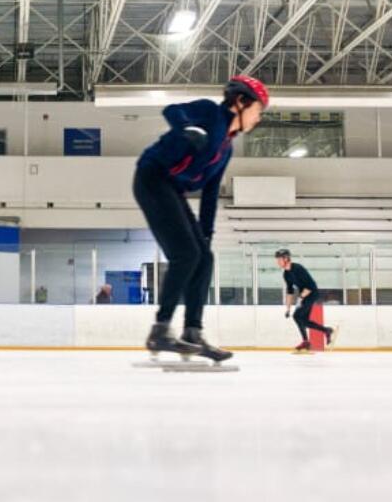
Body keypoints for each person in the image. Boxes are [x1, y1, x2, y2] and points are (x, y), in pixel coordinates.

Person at [133, 76, 269, 361]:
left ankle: (192, 332)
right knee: (185, 255)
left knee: (203, 257)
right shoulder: (210, 112)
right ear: (241, 102)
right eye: (259, 109)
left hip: (172, 188)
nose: (259, 117)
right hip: (152, 177)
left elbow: (210, 192)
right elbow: (172, 110)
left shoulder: (226, 149)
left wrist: (206, 233)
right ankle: (160, 330)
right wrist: (189, 129)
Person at [276, 249, 336, 352]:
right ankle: (327, 330)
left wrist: (301, 298)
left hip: (312, 293)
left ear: (286, 259)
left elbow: (310, 286)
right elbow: (290, 291)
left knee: (297, 316)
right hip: (304, 295)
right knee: (303, 320)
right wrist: (288, 308)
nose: (277, 262)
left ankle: (306, 342)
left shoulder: (298, 268)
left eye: (279, 259)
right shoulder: (286, 274)